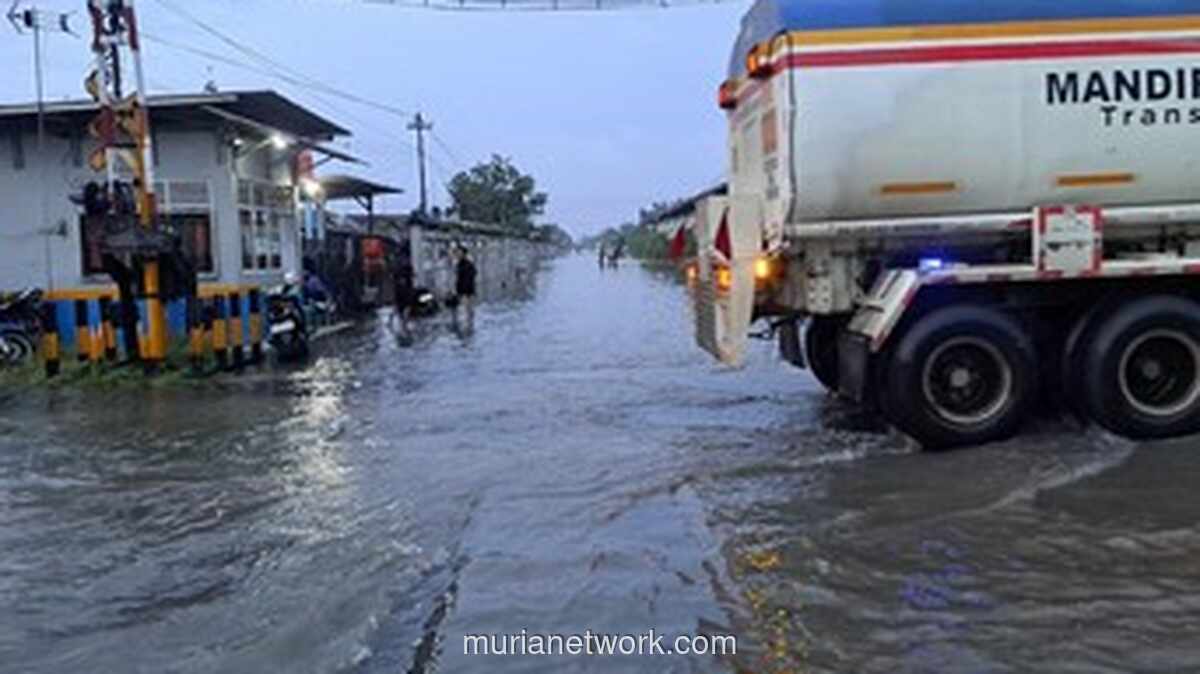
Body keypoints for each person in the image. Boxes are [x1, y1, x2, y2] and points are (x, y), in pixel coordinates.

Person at [453, 245, 477, 333]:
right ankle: (468, 325)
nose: (457, 254)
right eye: (457, 253)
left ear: (464, 254)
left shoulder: (467, 264)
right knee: (466, 309)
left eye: (459, 253)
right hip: (463, 289)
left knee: (467, 309)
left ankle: (469, 325)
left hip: (466, 289)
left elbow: (471, 276)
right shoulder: (460, 264)